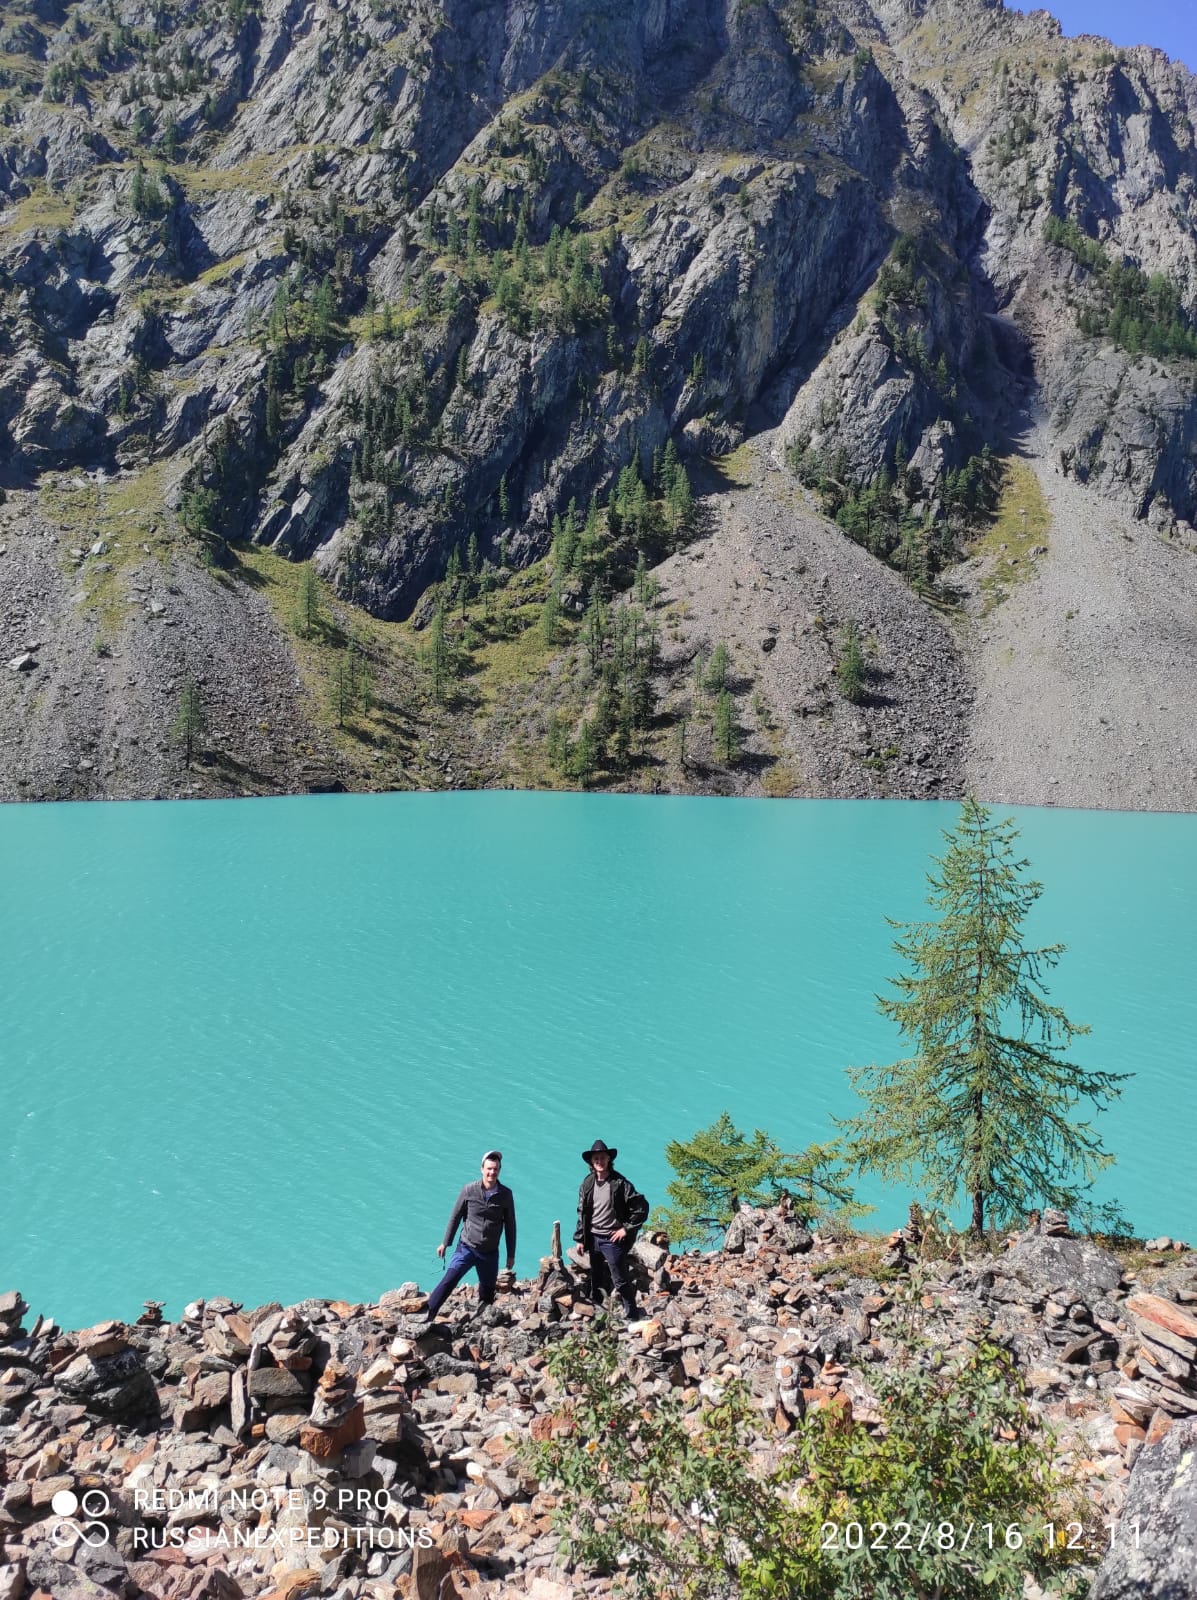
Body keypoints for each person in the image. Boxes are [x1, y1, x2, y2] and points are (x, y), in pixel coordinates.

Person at [425, 1150, 516, 1322]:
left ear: (499, 1171)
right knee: (449, 1279)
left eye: (495, 1169)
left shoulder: (505, 1194)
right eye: (489, 1168)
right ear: (482, 1169)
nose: (492, 1172)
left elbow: (511, 1225)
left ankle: (483, 1323)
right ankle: (428, 1314)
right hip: (466, 1247)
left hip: (489, 1252)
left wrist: (511, 1254)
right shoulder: (469, 1190)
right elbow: (455, 1216)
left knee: (487, 1291)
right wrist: (445, 1243)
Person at [575, 1139, 649, 1319]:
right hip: (593, 1238)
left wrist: (626, 1228)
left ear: (608, 1159)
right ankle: (597, 1311)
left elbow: (642, 1207)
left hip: (612, 1239)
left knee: (620, 1279)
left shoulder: (620, 1183)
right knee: (596, 1277)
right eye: (596, 1159)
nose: (599, 1162)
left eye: (602, 1158)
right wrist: (580, 1238)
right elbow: (582, 1212)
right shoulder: (587, 1183)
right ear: (592, 1163)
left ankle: (631, 1313)